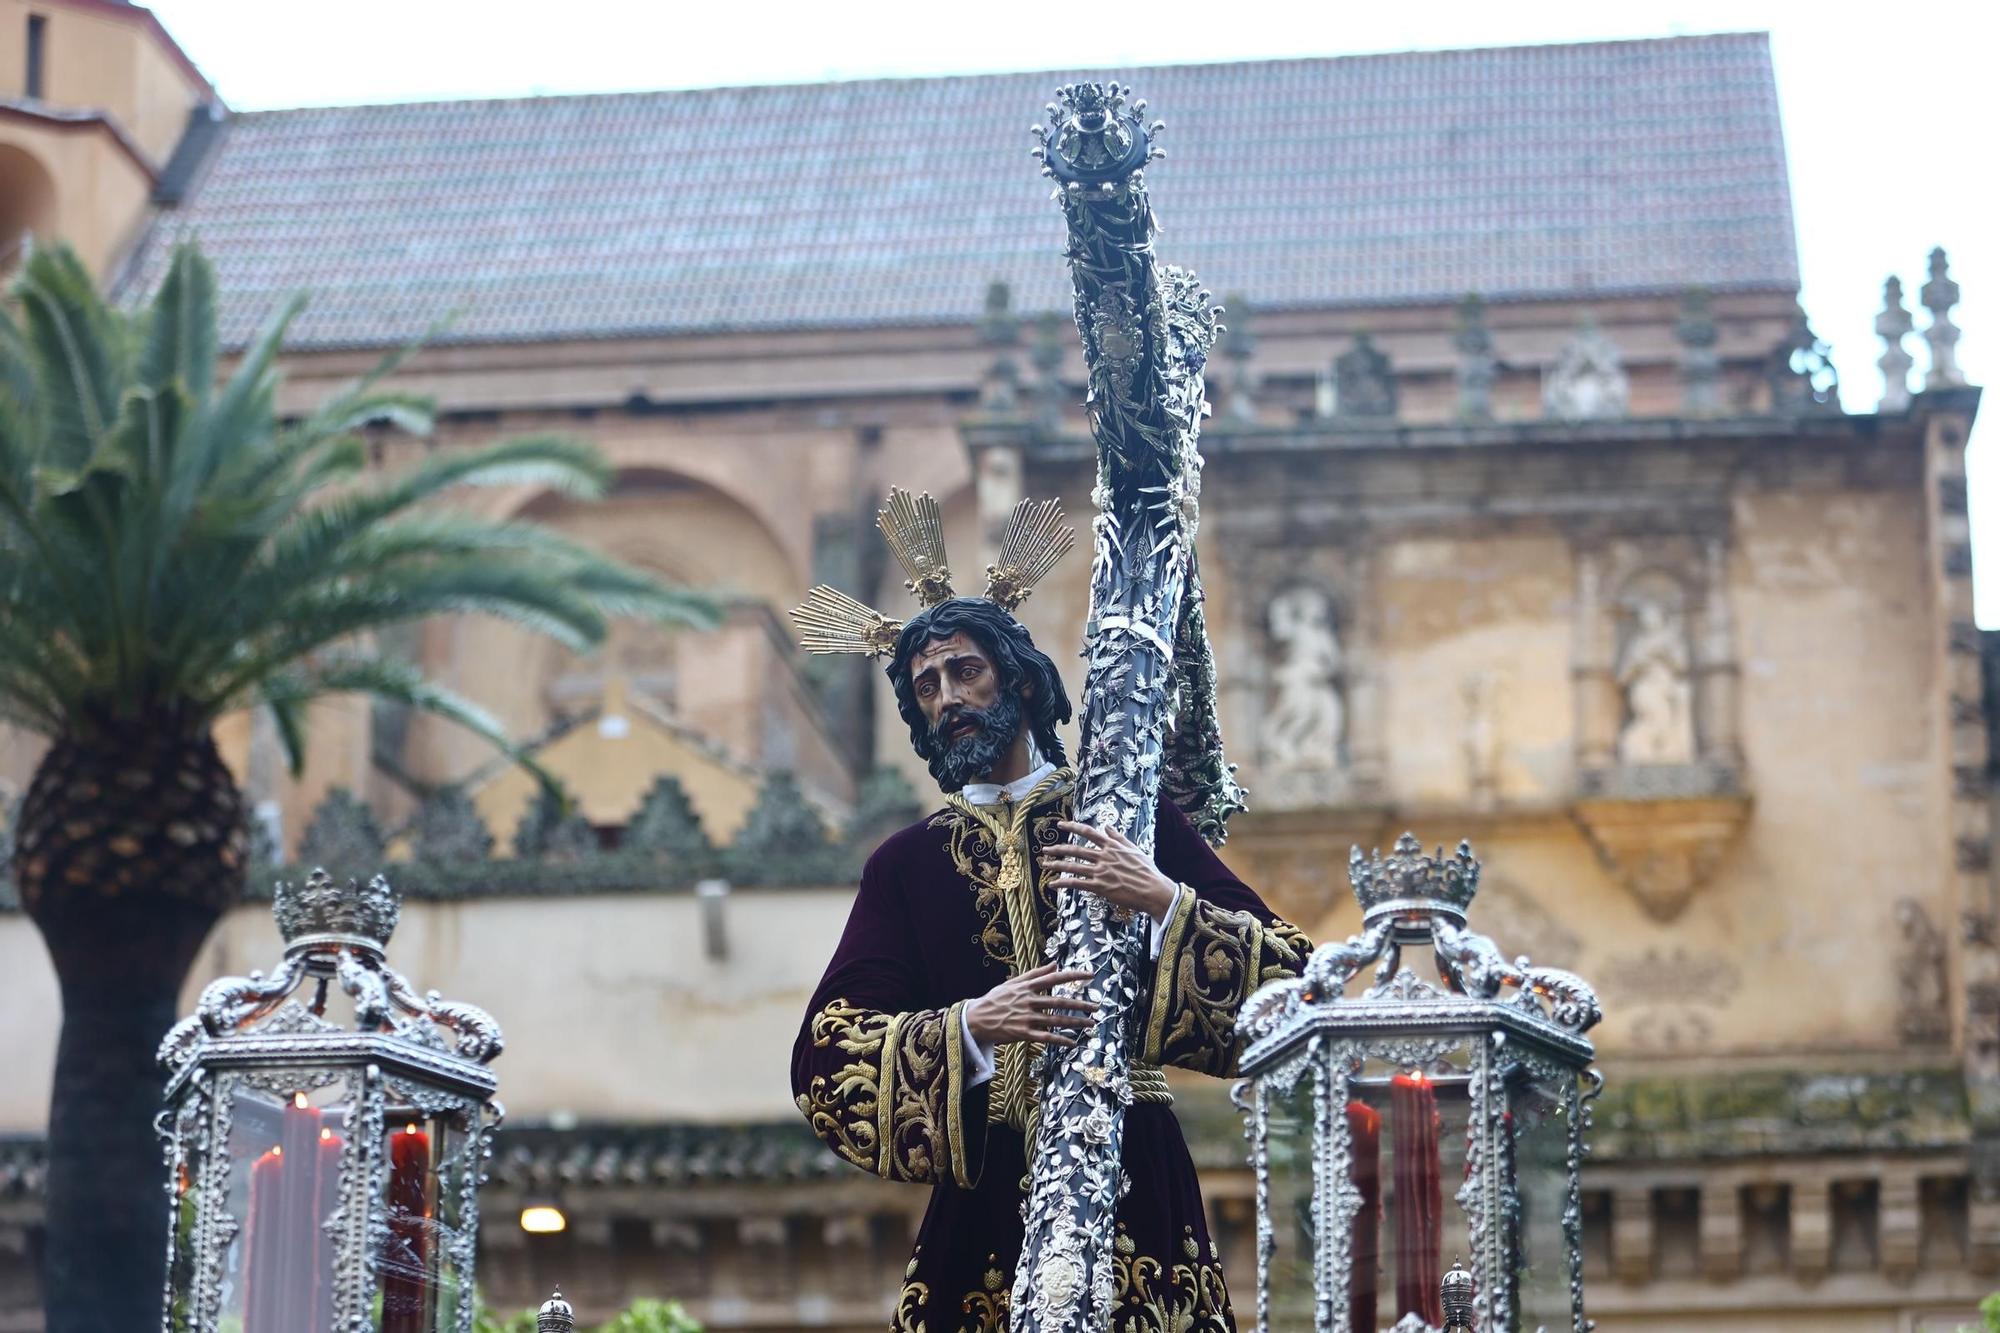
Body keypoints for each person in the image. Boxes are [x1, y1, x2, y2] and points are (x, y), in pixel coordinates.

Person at [790, 557, 1312, 1332]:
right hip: (984, 1201)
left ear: (1021, 680)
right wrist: (969, 1027)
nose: (948, 699)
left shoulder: (1125, 812)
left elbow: (1294, 981)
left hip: (1134, 1170)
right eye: (927, 687)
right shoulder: (907, 864)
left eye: (965, 671)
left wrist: (1161, 897)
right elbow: (825, 1058)